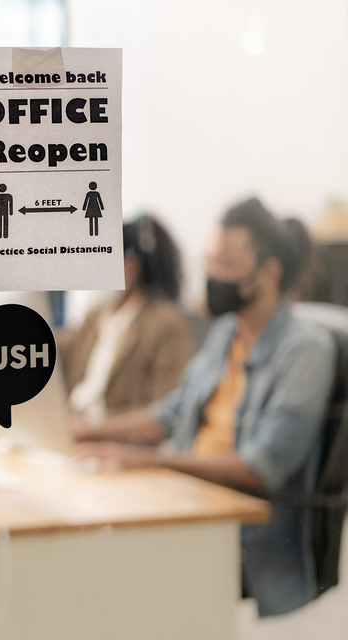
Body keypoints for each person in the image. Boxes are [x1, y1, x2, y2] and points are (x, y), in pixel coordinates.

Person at [73, 198, 336, 617]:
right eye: (209, 261)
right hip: (187, 504)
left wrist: (153, 463)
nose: (211, 276)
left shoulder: (305, 351)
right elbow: (170, 414)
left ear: (268, 273)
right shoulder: (226, 333)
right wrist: (86, 432)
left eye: (225, 265)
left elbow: (260, 467)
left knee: (99, 572)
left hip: (240, 537)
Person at [61, 216, 191, 423]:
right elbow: (60, 350)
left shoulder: (165, 325)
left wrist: (90, 428)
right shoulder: (95, 316)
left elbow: (163, 413)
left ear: (130, 267)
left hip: (110, 439)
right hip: (70, 423)